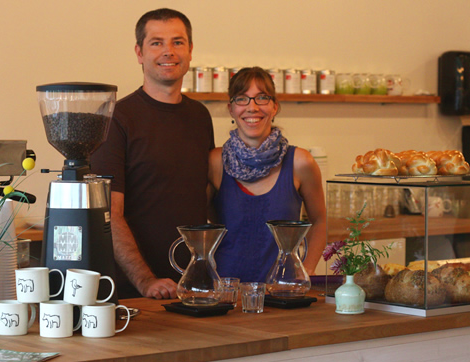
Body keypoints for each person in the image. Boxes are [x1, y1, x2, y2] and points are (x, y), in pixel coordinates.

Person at [91, 8, 214, 299]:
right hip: (134, 293)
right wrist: (145, 280)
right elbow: (110, 214)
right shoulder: (115, 119)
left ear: (191, 50)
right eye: (156, 42)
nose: (168, 52)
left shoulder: (200, 116)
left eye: (178, 42)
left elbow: (206, 197)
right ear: (139, 52)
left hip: (192, 285)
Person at [208, 67, 326, 282]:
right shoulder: (215, 162)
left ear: (274, 107)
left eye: (262, 98)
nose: (252, 108)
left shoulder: (300, 162)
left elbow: (319, 220)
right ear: (231, 109)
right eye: (242, 99)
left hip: (283, 290)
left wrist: (307, 268)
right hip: (225, 291)